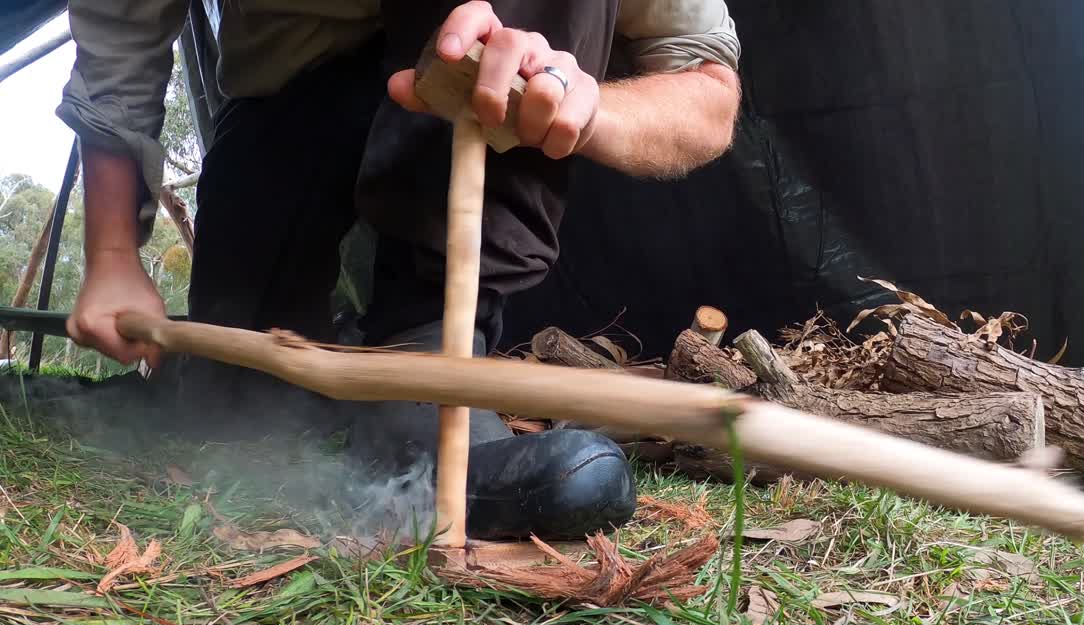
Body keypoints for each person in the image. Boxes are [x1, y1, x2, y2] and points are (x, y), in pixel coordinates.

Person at [55, 1, 743, 541]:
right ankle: (250, 371)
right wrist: (111, 256)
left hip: (485, 90)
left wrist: (582, 107)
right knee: (235, 399)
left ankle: (425, 360)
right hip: (282, 114)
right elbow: (122, 34)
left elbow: (708, 90)